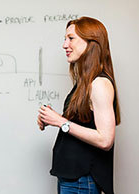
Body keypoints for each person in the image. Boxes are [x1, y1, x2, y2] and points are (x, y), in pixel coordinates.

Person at [37, 16, 120, 194]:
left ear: (92, 43)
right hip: (73, 180)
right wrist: (53, 119)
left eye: (71, 38)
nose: (65, 45)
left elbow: (105, 140)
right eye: (65, 39)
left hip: (83, 182)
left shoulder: (99, 84)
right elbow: (83, 123)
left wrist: (61, 122)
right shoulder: (84, 83)